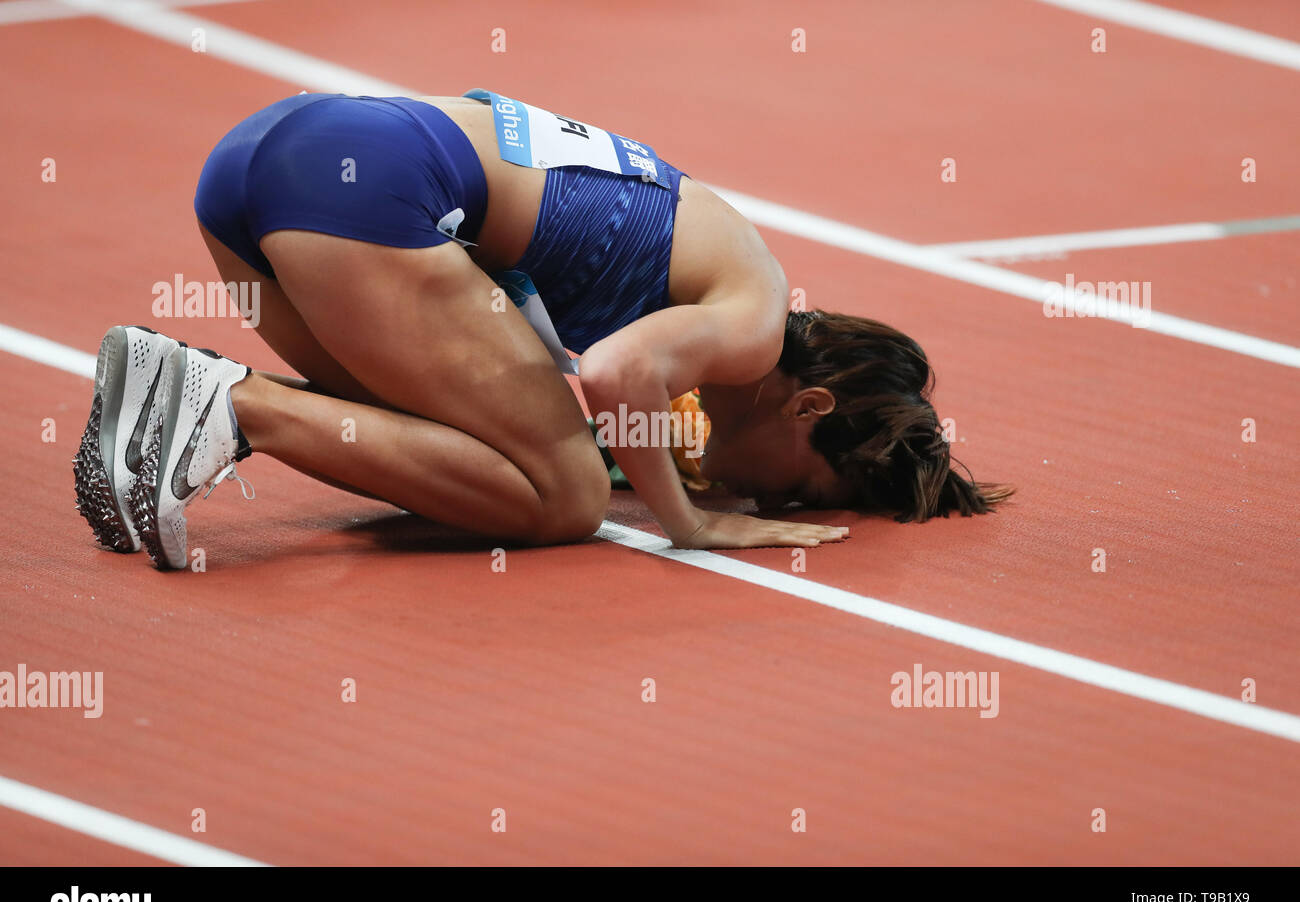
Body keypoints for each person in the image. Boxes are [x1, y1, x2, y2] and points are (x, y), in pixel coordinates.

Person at [73, 90, 1011, 570]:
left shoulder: (720, 301)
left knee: (454, 448)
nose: (775, 502)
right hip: (360, 188)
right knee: (562, 500)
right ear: (806, 403)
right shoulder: (755, 327)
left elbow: (606, 378)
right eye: (804, 486)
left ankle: (180, 392)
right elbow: (609, 375)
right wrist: (688, 523)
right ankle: (231, 405)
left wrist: (628, 455)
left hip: (269, 156)